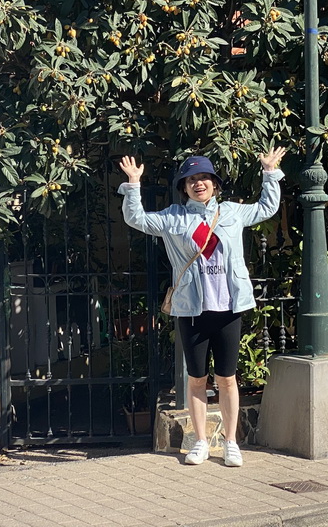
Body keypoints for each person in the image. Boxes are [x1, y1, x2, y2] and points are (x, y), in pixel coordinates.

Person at [117, 147, 285, 467]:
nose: (199, 183)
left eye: (205, 178)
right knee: (197, 380)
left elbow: (267, 207)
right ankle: (201, 442)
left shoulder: (233, 213)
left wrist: (269, 173)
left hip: (228, 308)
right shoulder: (172, 218)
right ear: (184, 187)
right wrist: (134, 184)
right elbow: (135, 218)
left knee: (227, 378)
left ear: (215, 184)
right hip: (191, 309)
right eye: (192, 179)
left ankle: (232, 442)